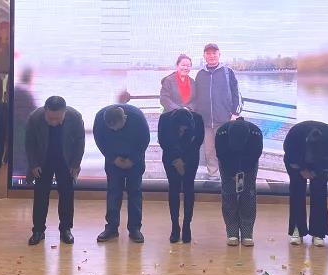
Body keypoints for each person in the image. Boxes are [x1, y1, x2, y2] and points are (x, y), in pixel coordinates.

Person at [25, 96, 85, 246]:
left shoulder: (75, 117)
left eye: (57, 119)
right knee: (40, 195)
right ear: (45, 110)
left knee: (67, 195)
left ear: (65, 112)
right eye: (50, 118)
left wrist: (75, 164)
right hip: (43, 161)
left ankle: (66, 229)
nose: (53, 122)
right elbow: (29, 143)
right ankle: (38, 230)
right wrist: (33, 164)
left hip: (66, 161)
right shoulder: (35, 118)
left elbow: (80, 142)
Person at [93, 104, 150, 243]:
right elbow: (100, 140)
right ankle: (111, 228)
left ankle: (135, 228)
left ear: (125, 117)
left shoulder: (137, 118)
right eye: (111, 128)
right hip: (113, 160)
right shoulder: (100, 119)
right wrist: (113, 158)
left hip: (134, 160)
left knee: (135, 192)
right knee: (113, 192)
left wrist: (132, 159)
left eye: (118, 127)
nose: (115, 130)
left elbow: (144, 140)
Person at [283, 121, 328, 247]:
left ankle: (318, 232)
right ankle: (297, 230)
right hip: (297, 161)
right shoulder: (296, 133)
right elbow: (289, 153)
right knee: (297, 193)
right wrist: (301, 169)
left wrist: (316, 172)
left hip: (321, 163)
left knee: (319, 194)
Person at [193, 43, 241, 181]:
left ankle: (229, 176)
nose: (211, 56)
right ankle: (213, 175)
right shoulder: (200, 74)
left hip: (225, 120)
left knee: (227, 149)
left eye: (214, 53)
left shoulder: (228, 72)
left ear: (219, 54)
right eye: (208, 53)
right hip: (206, 121)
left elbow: (237, 94)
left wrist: (235, 113)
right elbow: (196, 96)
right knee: (209, 151)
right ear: (204, 56)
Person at [158, 108, 205, 243]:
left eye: (185, 129)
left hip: (191, 157)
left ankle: (186, 226)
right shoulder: (165, 119)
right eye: (180, 129)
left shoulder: (198, 119)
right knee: (174, 188)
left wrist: (185, 162)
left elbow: (197, 142)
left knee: (189, 188)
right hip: (170, 157)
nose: (182, 131)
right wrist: (176, 159)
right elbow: (163, 142)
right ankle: (175, 226)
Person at [215, 117, 263, 246]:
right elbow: (222, 156)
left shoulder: (255, 134)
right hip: (228, 162)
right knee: (229, 195)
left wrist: (243, 174)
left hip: (248, 165)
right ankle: (232, 233)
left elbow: (254, 156)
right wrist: (231, 173)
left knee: (248, 195)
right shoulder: (221, 133)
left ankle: (247, 234)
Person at [13, 67, 37, 177]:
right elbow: (34, 115)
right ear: (30, 78)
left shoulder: (16, 91)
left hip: (15, 132)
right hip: (23, 132)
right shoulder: (26, 94)